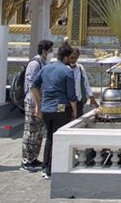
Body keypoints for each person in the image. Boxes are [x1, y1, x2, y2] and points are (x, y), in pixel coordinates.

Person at [31, 42, 77, 179]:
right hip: (61, 108)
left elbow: (33, 86)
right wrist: (74, 112)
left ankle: (46, 168)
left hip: (46, 108)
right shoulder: (67, 71)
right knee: (59, 138)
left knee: (50, 137)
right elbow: (71, 95)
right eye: (70, 57)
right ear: (66, 58)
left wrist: (39, 104)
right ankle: (55, 167)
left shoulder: (46, 68)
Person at [21, 39, 54, 171]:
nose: (52, 53)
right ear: (44, 51)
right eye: (50, 50)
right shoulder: (35, 64)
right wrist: (37, 105)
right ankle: (27, 160)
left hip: (40, 101)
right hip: (33, 102)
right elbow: (32, 86)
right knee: (31, 131)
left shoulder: (43, 63)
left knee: (38, 132)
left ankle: (33, 158)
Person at [68, 47, 98, 118]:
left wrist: (92, 97)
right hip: (67, 103)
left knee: (78, 120)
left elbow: (86, 83)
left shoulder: (80, 68)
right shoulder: (64, 68)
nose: (73, 60)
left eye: (76, 58)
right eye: (71, 58)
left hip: (78, 100)